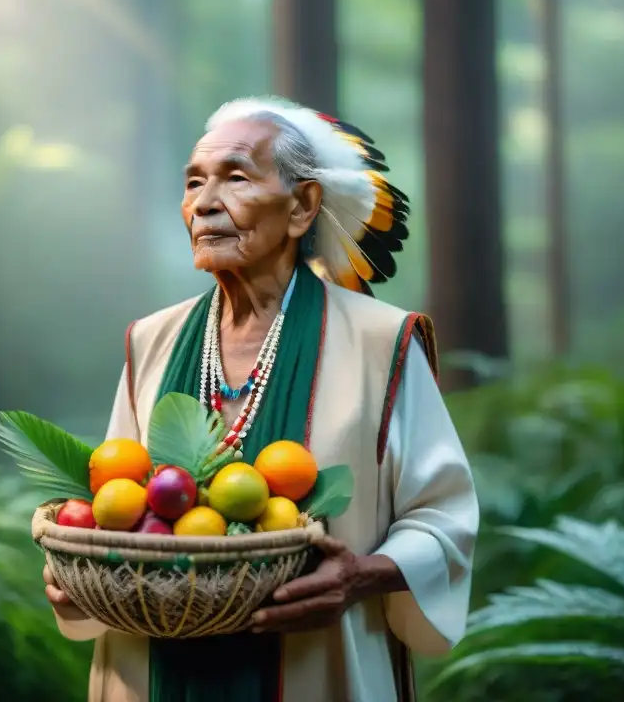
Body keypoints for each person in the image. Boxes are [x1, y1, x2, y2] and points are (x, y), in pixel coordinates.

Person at [42, 96, 479, 702]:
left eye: (236, 177)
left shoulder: (382, 341)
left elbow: (443, 519)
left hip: (313, 663)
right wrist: (81, 573)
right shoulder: (152, 339)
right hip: (154, 664)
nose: (203, 203)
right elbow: (115, 500)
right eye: (193, 182)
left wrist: (360, 577)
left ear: (302, 207)